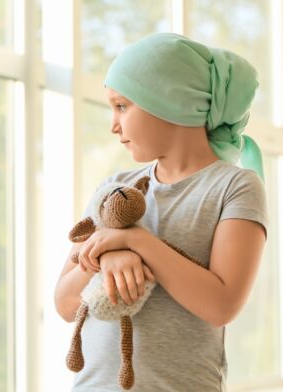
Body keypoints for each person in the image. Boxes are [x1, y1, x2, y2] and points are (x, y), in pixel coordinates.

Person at [54, 32, 269, 391]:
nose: (113, 124)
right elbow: (64, 303)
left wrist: (136, 242)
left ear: (170, 102)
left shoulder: (236, 187)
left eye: (122, 106)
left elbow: (222, 304)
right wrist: (107, 257)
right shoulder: (114, 188)